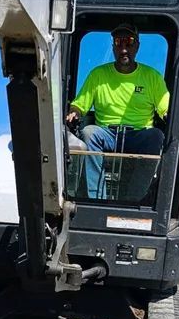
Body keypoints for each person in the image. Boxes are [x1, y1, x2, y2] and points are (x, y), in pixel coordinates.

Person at [65, 22, 169, 201]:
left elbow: (165, 109)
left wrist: (171, 118)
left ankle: (133, 199)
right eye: (119, 42)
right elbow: (79, 105)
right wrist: (74, 112)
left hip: (138, 134)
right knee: (89, 133)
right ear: (113, 45)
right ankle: (97, 200)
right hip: (107, 133)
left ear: (137, 45)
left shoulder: (152, 77)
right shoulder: (98, 75)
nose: (123, 49)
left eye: (128, 42)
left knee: (156, 136)